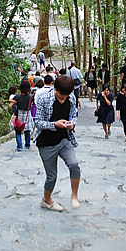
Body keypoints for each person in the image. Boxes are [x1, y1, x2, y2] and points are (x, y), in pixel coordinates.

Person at [35, 75, 80, 212]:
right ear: (56, 88)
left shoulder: (71, 98)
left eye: (66, 95)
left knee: (74, 164)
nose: (63, 98)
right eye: (61, 95)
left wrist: (71, 124)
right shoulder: (44, 99)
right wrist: (55, 124)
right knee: (52, 176)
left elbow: (74, 115)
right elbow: (38, 122)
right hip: (46, 143)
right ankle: (46, 200)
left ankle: (74, 196)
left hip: (64, 139)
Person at [12, 79, 34, 151]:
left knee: (18, 131)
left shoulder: (17, 96)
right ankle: (27, 144)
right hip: (27, 115)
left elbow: (12, 101)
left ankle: (19, 146)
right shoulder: (31, 96)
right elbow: (33, 103)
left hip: (19, 115)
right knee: (27, 130)